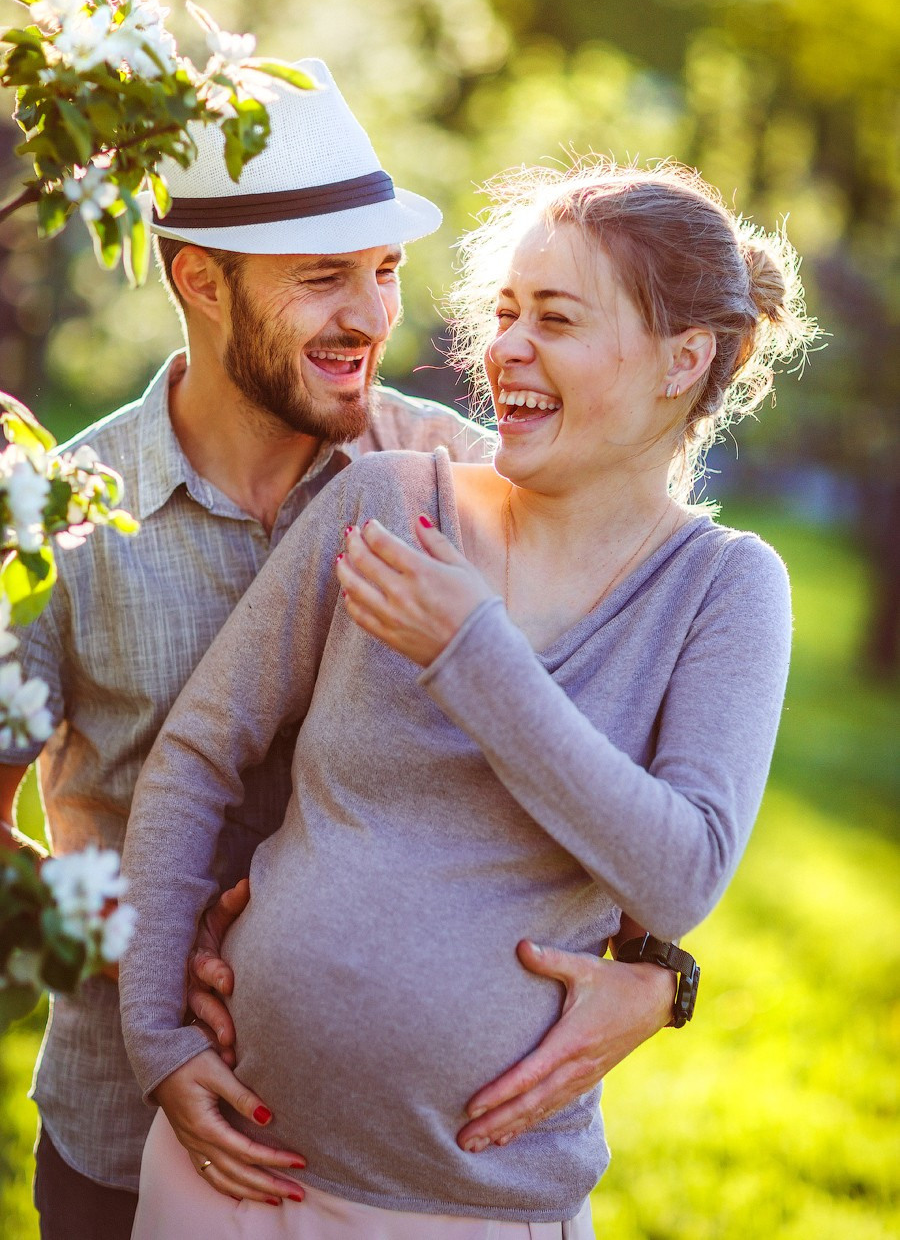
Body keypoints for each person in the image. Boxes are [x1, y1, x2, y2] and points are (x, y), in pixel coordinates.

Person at [0, 66, 674, 1240]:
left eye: (383, 272)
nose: (370, 317)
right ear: (198, 279)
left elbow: (623, 766)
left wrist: (661, 977)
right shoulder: (62, 526)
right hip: (125, 1141)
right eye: (323, 278)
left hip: (410, 1175)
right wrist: (136, 957)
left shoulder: (459, 484)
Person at [118, 158, 812, 1238]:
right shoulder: (388, 504)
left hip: (471, 1207)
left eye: (558, 319)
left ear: (686, 360)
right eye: (506, 311)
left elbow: (677, 878)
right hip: (231, 1177)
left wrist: (472, 653)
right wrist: (157, 1032)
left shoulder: (725, 590)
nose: (509, 350)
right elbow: (200, 752)